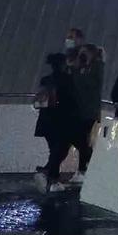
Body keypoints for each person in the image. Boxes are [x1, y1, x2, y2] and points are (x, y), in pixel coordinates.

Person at [33, 51, 80, 190]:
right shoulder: (69, 80)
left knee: (54, 149)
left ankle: (49, 175)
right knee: (60, 150)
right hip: (62, 120)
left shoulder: (46, 80)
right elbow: (73, 101)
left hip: (46, 120)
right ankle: (50, 177)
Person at [70, 42, 105, 175]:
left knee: (83, 139)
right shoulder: (86, 67)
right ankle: (83, 167)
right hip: (82, 109)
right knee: (81, 139)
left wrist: (78, 72)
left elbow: (91, 84)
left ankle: (84, 168)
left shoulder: (95, 67)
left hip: (89, 111)